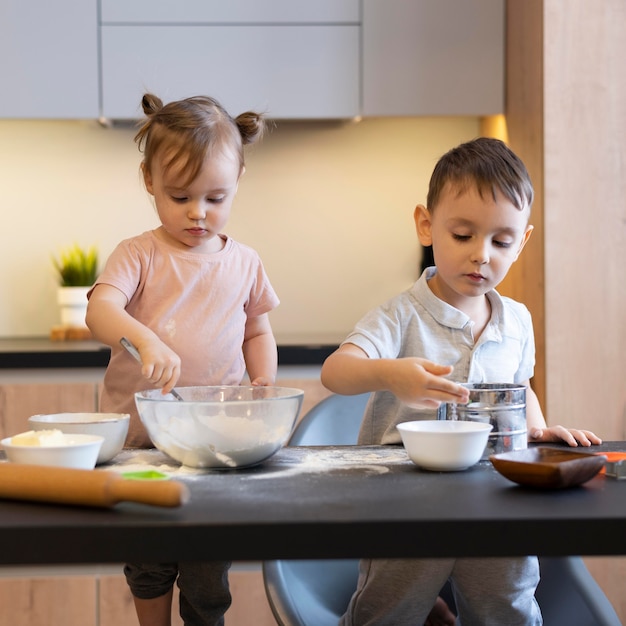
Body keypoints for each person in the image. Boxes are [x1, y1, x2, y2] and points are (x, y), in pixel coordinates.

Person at [321, 137, 602, 626]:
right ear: (426, 226)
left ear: (524, 240)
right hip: (406, 505)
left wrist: (537, 429)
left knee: (509, 608)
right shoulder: (400, 316)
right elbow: (335, 371)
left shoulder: (516, 319)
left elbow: (521, 387)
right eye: (463, 235)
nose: (481, 255)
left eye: (501, 241)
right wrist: (389, 373)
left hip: (497, 502)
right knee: (388, 612)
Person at [86, 93, 279, 626]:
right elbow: (100, 312)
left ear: (239, 180)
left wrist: (263, 376)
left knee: (207, 564)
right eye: (180, 196)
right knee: (149, 559)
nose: (198, 212)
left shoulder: (245, 262)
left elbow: (258, 328)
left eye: (215, 198)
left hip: (218, 441)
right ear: (149, 181)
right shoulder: (139, 253)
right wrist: (144, 340)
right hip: (143, 443)